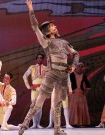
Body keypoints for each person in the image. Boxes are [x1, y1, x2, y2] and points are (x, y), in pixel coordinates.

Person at [19, 1, 79, 135]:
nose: (54, 26)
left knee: (57, 103)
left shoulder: (63, 42)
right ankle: (25, 123)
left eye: (54, 25)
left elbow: (75, 54)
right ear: (46, 30)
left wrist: (73, 66)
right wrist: (31, 9)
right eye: (51, 26)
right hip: (51, 73)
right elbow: (34, 27)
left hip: (63, 74)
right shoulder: (46, 42)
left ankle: (57, 129)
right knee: (39, 100)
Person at [23, 53, 46, 129]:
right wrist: (29, 86)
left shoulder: (46, 68)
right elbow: (25, 76)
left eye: (41, 58)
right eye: (38, 58)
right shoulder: (32, 67)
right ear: (36, 59)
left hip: (42, 89)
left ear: (43, 59)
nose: (39, 59)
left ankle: (38, 124)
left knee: (40, 106)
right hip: (34, 89)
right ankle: (34, 124)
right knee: (33, 106)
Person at [69, 62, 91, 127]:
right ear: (76, 67)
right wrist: (69, 92)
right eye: (79, 66)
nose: (80, 68)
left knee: (81, 108)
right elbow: (67, 83)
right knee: (74, 108)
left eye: (81, 67)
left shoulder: (84, 75)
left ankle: (80, 123)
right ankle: (73, 123)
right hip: (73, 94)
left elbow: (88, 86)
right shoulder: (71, 74)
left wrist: (85, 93)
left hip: (81, 94)